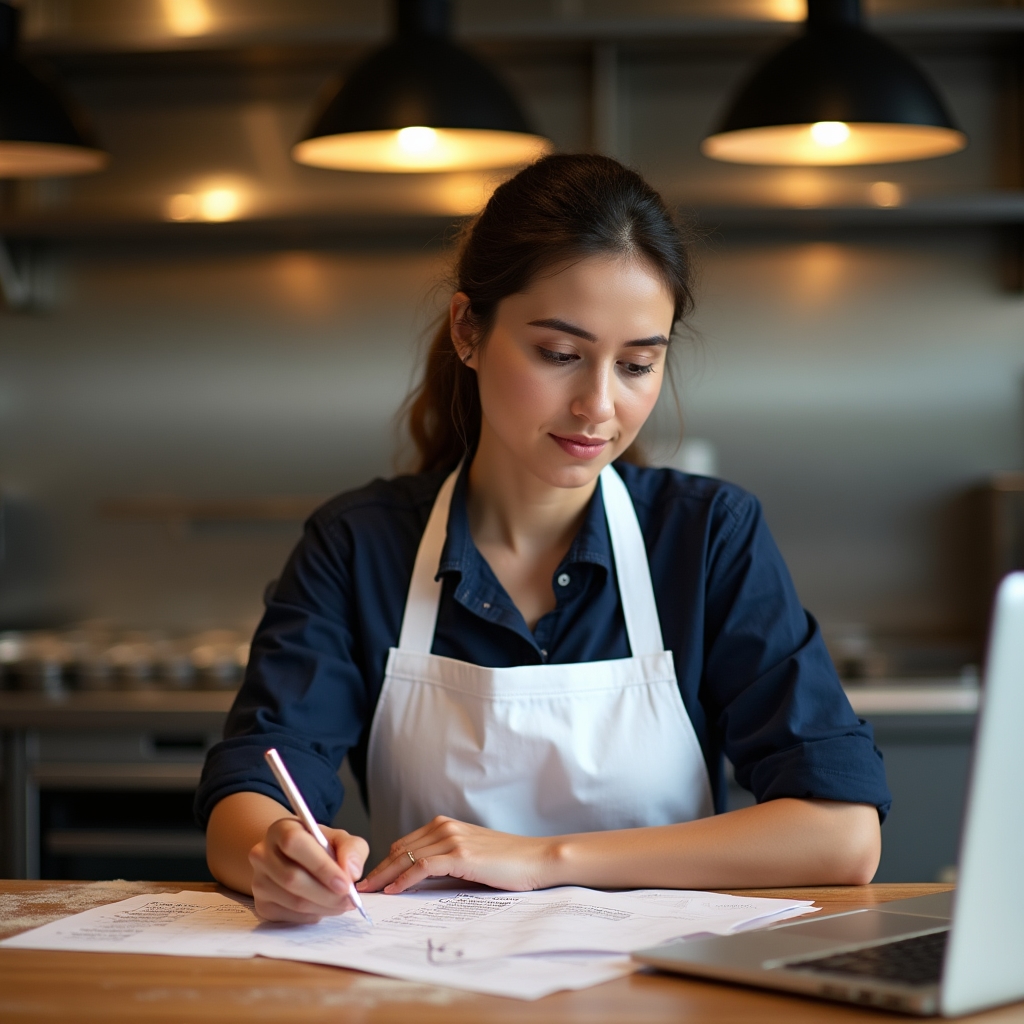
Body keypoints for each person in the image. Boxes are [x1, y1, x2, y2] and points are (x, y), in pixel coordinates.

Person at [196, 154, 890, 924]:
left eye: (636, 365)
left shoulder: (706, 538)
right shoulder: (358, 545)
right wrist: (280, 852)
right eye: (559, 355)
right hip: (435, 990)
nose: (598, 405)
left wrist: (540, 859)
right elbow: (251, 791)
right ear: (468, 329)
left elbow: (842, 833)